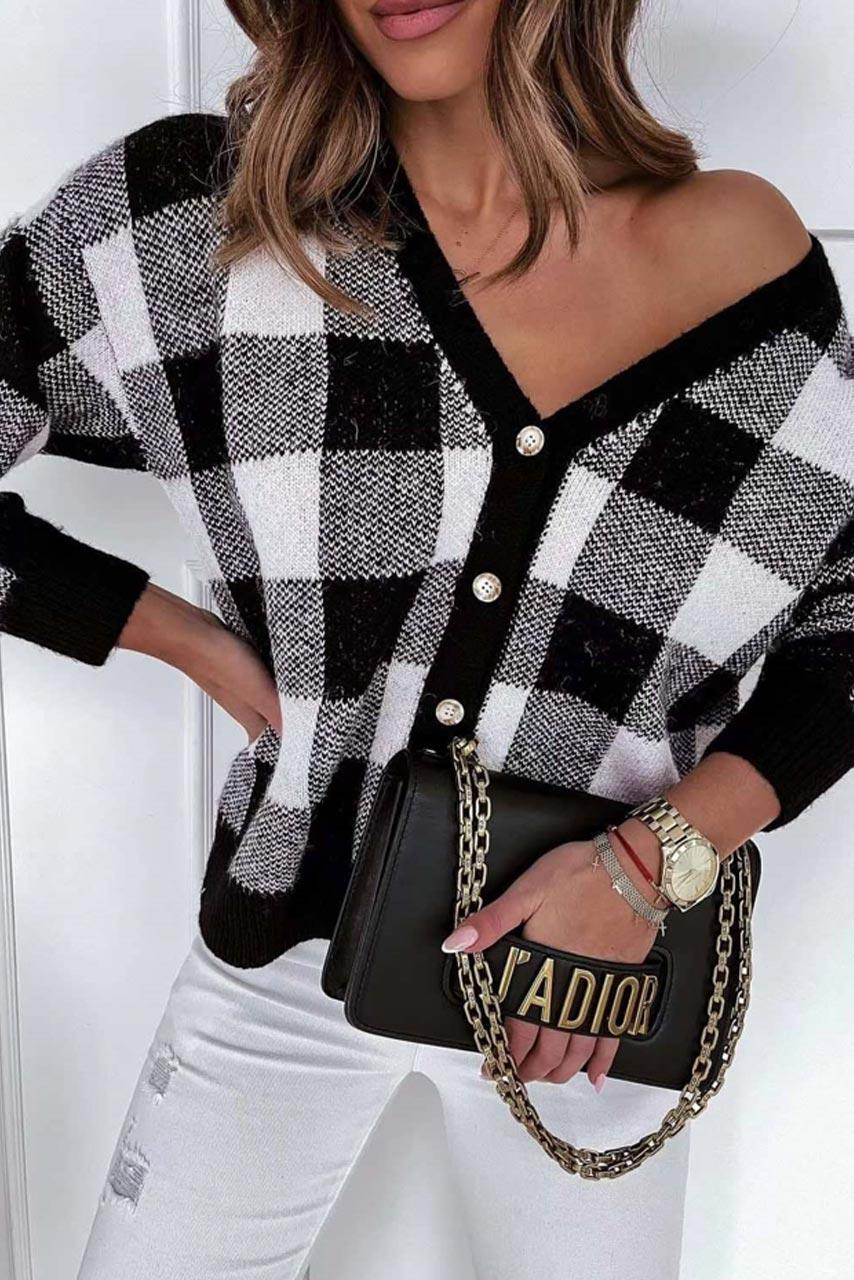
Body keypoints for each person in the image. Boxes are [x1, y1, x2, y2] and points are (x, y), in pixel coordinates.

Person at [2, 1, 853, 1276]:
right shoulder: (195, 222)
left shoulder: (737, 257)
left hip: (584, 992)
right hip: (285, 947)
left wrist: (647, 867)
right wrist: (175, 635)